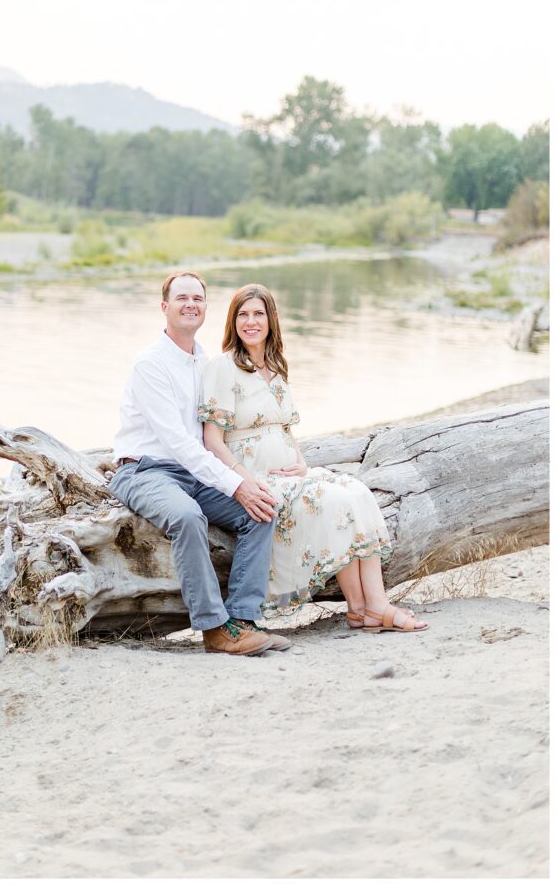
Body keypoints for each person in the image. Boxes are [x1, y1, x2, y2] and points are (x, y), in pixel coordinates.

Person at [199, 283, 429, 632]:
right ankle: (375, 606)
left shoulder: (276, 367)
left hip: (290, 472)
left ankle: (363, 609)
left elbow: (285, 430)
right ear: (233, 322)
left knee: (357, 492)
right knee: (335, 501)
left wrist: (302, 462)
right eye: (243, 315)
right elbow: (211, 438)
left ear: (271, 319)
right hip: (254, 477)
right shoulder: (224, 367)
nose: (251, 321)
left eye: (258, 313)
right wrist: (243, 478)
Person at [109, 271, 291, 656]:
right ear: (165, 307)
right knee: (188, 517)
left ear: (206, 308)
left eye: (197, 299)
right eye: (181, 298)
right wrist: (234, 483)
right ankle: (214, 630)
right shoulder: (150, 364)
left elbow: (212, 433)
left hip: (192, 470)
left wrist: (251, 477)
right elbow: (176, 443)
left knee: (261, 509)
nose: (190, 304)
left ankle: (242, 619)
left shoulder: (204, 361)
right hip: (144, 469)